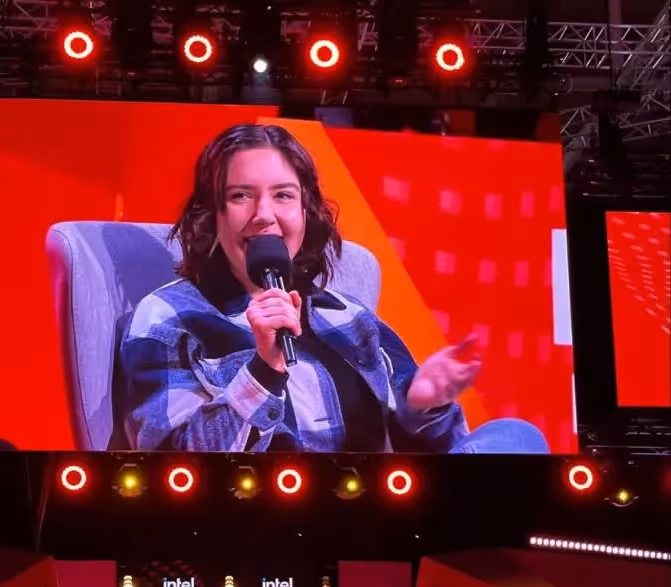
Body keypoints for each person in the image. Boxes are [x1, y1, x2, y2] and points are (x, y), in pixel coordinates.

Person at [117, 122, 549, 455]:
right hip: (261, 516)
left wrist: (422, 405)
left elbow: (435, 449)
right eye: (241, 196)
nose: (264, 214)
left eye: (284, 195)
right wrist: (262, 370)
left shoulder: (348, 314)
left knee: (514, 437)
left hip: (380, 510)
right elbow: (172, 461)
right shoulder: (169, 315)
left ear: (306, 213)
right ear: (210, 215)